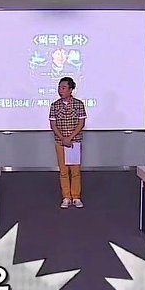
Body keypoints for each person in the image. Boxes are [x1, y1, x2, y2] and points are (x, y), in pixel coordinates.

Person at [49, 77, 87, 209]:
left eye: (63, 88)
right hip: (60, 142)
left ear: (71, 90)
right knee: (63, 171)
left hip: (74, 142)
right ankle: (66, 197)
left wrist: (70, 138)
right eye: (59, 87)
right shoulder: (54, 105)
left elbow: (81, 123)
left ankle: (76, 197)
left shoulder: (78, 104)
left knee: (75, 171)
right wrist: (63, 138)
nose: (60, 90)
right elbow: (53, 125)